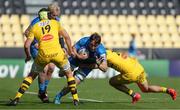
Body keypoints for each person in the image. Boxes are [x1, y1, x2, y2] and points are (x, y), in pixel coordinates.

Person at [7, 9, 79, 106]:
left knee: (31, 76)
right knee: (69, 74)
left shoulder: (35, 27)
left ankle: (17, 98)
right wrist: (70, 51)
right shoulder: (55, 23)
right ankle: (75, 99)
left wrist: (28, 56)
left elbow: (26, 45)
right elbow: (66, 37)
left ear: (39, 16)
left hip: (43, 55)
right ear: (48, 15)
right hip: (57, 54)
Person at [24, 3, 65, 103]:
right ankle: (42, 92)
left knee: (51, 68)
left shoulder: (57, 21)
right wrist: (34, 43)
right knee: (44, 69)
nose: (56, 18)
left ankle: (44, 89)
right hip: (37, 48)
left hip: (50, 48)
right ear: (48, 13)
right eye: (54, 15)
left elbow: (60, 35)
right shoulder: (37, 21)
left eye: (57, 16)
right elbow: (26, 32)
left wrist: (62, 47)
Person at [54, 33, 108, 104]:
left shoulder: (101, 51)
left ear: (98, 44)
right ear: (89, 40)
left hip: (88, 65)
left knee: (73, 83)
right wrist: (78, 56)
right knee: (61, 74)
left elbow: (104, 68)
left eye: (95, 46)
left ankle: (58, 96)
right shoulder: (84, 40)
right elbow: (73, 48)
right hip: (76, 59)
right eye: (91, 45)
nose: (92, 47)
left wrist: (96, 62)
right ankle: (66, 71)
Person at [106, 50, 177, 103]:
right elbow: (124, 53)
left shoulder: (105, 56)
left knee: (112, 82)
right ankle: (169, 90)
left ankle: (133, 95)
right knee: (145, 89)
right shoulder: (110, 52)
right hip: (138, 67)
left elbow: (102, 67)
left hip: (131, 73)